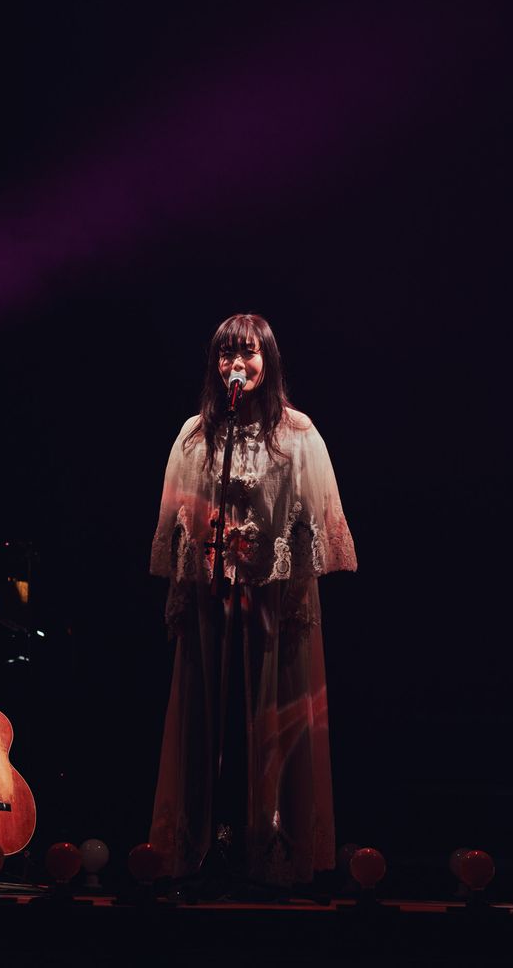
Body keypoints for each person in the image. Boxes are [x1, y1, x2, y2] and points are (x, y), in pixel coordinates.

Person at [149, 314, 357, 887]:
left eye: (248, 353)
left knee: (275, 715)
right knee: (205, 713)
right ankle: (198, 845)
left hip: (270, 597)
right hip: (213, 597)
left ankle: (275, 847)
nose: (236, 364)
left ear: (268, 360)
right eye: (226, 354)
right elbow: (179, 523)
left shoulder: (298, 434)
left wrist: (285, 580)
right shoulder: (196, 435)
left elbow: (311, 523)